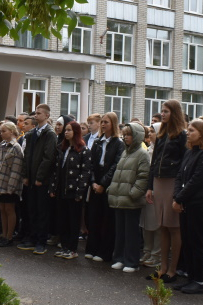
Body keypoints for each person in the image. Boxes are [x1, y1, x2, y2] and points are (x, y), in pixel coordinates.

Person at [172, 119, 203, 294]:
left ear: (201, 133)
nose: (188, 133)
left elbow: (196, 181)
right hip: (185, 203)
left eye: (192, 130)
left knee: (197, 242)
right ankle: (190, 277)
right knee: (188, 241)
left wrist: (179, 198)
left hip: (198, 204)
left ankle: (198, 280)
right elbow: (180, 176)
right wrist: (177, 197)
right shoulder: (190, 152)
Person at [146, 100, 187, 283]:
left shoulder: (181, 135)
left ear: (175, 113)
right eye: (162, 111)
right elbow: (154, 161)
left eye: (166, 111)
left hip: (172, 182)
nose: (162, 114)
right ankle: (162, 267)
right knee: (161, 225)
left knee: (173, 226)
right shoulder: (161, 133)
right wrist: (149, 186)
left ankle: (173, 269)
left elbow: (183, 164)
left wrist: (179, 189)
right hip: (158, 181)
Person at [108, 121, 150, 272]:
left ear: (137, 136)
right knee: (120, 232)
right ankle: (119, 258)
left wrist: (133, 193)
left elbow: (143, 177)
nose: (125, 137)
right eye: (124, 134)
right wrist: (112, 190)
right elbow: (119, 174)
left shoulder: (142, 154)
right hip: (120, 198)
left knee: (131, 233)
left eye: (129, 134)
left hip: (131, 200)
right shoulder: (125, 152)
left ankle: (131, 261)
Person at [18, 103, 57, 255]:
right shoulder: (32, 134)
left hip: (42, 180)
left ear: (47, 116)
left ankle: (41, 242)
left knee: (42, 212)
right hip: (31, 179)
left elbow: (48, 158)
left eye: (39, 113)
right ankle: (32, 238)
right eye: (36, 113)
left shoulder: (50, 134)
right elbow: (27, 156)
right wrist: (26, 175)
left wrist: (40, 177)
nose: (36, 115)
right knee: (32, 210)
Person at [49, 120, 91, 259]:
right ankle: (64, 246)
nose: (66, 132)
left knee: (73, 221)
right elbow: (56, 170)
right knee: (63, 219)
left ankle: (72, 249)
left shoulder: (83, 150)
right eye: (65, 130)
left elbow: (85, 172)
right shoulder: (62, 148)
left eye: (69, 130)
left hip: (74, 191)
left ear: (76, 133)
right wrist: (53, 187)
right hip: (62, 190)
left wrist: (80, 192)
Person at [86, 111, 124, 262]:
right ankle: (92, 248)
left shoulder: (118, 143)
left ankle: (105, 252)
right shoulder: (97, 142)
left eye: (106, 122)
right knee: (93, 217)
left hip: (109, 183)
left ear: (113, 124)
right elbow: (91, 164)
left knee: (107, 220)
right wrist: (94, 182)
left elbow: (116, 165)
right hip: (96, 181)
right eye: (102, 122)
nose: (103, 124)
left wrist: (103, 183)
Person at [0, 122, 25, 246]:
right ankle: (3, 234)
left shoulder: (16, 147)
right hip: (0, 183)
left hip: (9, 185)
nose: (1, 133)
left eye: (4, 131)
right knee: (2, 209)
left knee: (9, 209)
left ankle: (9, 236)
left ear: (11, 131)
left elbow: (16, 170)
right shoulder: (1, 145)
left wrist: (10, 188)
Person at [140, 123, 160, 267]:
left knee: (156, 224)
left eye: (153, 132)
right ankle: (147, 251)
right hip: (146, 190)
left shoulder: (160, 151)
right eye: (150, 131)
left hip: (156, 191)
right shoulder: (148, 149)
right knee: (145, 224)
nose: (150, 134)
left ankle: (156, 254)